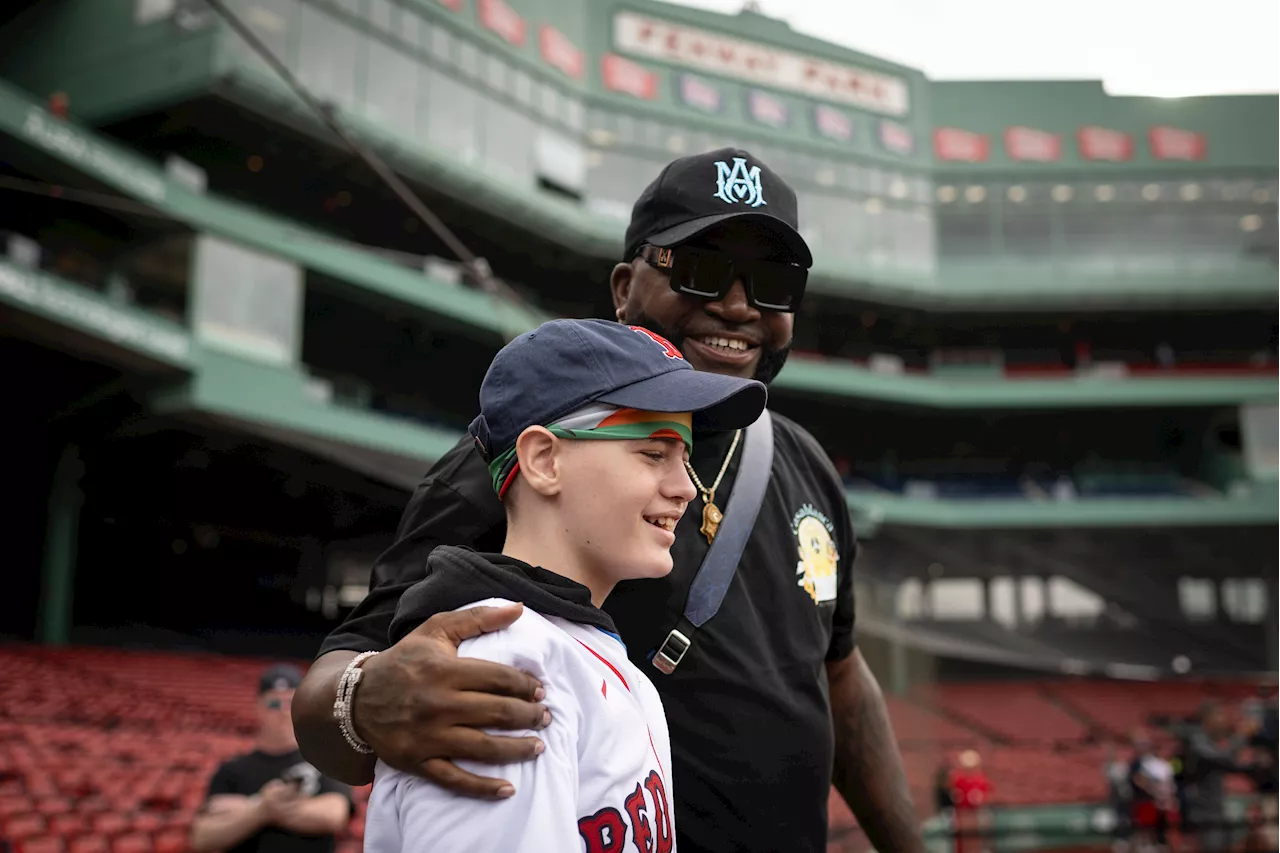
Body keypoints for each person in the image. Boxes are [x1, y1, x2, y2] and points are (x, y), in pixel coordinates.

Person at [292, 148, 924, 853]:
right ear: (625, 287)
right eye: (700, 268)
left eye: (773, 282)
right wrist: (360, 698)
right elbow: (344, 674)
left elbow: (839, 672)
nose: (739, 304)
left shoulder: (806, 464)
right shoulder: (516, 461)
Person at [362, 318, 764, 851]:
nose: (686, 488)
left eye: (686, 459)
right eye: (654, 453)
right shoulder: (503, 664)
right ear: (544, 461)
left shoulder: (601, 661)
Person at [190, 664, 353, 853]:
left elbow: (333, 815)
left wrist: (254, 807)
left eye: (290, 703)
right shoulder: (231, 769)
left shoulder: (323, 760)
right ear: (259, 706)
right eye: (274, 704)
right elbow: (202, 837)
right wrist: (263, 808)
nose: (283, 711)